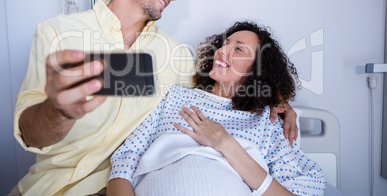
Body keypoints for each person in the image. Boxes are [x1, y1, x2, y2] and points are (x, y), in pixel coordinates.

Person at [10, 0, 298, 196]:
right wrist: (59, 112)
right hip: (50, 185)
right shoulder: (58, 33)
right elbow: (30, 134)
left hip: (119, 184)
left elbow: (230, 84)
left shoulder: (177, 55)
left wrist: (278, 101)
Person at [107, 21, 325, 196]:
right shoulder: (174, 97)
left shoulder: (267, 121)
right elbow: (126, 157)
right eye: (225, 43)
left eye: (238, 48)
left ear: (257, 70)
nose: (222, 51)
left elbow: (306, 189)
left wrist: (227, 144)